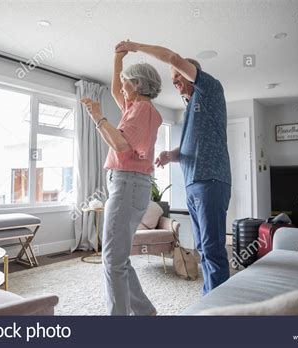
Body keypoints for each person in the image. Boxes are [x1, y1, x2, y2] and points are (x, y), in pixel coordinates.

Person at [115, 40, 231, 295]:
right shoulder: (190, 107)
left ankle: (221, 306)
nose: (175, 80)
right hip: (194, 182)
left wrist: (134, 46)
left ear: (192, 73)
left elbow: (172, 57)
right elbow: (192, 148)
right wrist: (171, 155)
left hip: (210, 180)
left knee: (212, 248)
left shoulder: (208, 90)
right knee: (202, 246)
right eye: (172, 77)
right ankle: (209, 297)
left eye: (178, 75)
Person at [80, 48, 163, 315]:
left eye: (127, 82)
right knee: (118, 258)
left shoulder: (142, 109)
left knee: (112, 260)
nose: (122, 89)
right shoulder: (136, 106)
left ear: (137, 84)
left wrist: (97, 115)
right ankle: (145, 312)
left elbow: (119, 143)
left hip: (128, 184)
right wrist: (118, 59)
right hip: (128, 184)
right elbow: (117, 90)